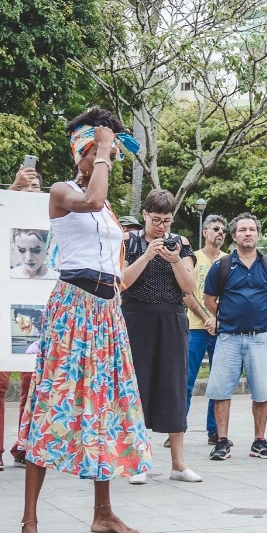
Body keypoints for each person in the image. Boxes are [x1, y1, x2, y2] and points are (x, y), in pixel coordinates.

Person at [19, 107, 151, 533]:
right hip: (72, 309)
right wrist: (104, 150)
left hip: (106, 312)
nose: (107, 156)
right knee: (53, 404)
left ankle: (102, 512)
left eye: (107, 150)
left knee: (105, 407)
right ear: (82, 152)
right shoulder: (61, 191)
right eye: (97, 150)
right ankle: (29, 522)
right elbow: (92, 199)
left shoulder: (108, 204)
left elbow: (111, 254)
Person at [121, 189, 201, 484]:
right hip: (136, 316)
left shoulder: (181, 243)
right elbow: (122, 283)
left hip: (171, 316)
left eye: (166, 221)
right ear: (145, 215)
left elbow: (189, 287)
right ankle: (138, 461)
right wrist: (147, 253)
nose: (161, 227)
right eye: (156, 220)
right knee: (137, 387)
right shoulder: (129, 242)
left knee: (173, 385)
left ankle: (178, 464)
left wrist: (175, 259)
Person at [202, 212, 267, 462]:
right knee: (221, 391)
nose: (248, 233)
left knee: (261, 392)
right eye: (242, 230)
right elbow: (209, 299)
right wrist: (228, 317)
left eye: (252, 229)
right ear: (234, 235)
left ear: (258, 234)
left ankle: (260, 441)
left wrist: (258, 316)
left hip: (259, 338)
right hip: (228, 338)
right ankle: (222, 441)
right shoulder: (223, 266)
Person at [0, 165, 43, 470]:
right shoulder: (6, 219)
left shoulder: (48, 219)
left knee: (31, 384)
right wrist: (14, 186)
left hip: (35, 309)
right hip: (2, 308)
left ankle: (23, 443)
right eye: (25, 189)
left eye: (35, 188)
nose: (29, 193)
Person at [182, 215, 226, 446]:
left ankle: (214, 430)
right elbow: (187, 293)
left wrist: (218, 320)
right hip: (196, 328)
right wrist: (207, 318)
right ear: (205, 232)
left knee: (218, 382)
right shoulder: (193, 258)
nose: (220, 233)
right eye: (216, 228)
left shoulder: (229, 260)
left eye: (223, 230)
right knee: (186, 380)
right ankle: (178, 428)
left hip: (222, 330)